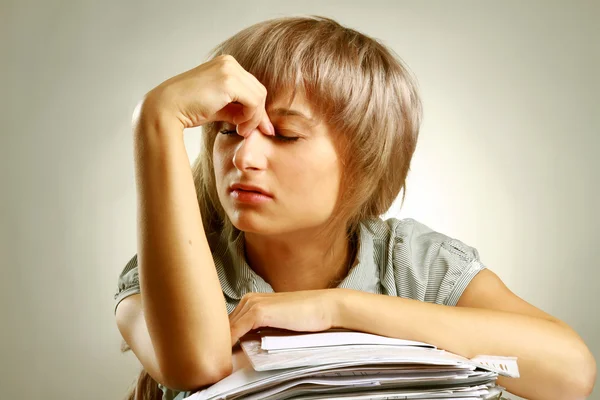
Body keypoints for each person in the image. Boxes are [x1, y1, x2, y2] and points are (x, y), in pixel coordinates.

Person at [113, 15, 596, 400]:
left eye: (284, 135)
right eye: (226, 130)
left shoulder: (415, 263)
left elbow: (570, 374)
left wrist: (333, 308)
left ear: (366, 164)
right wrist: (156, 119)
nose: (244, 156)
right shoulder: (160, 276)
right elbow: (196, 365)